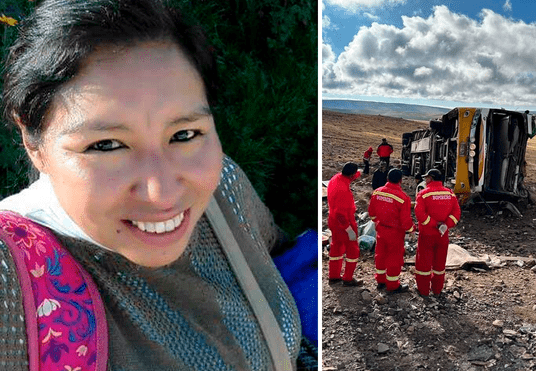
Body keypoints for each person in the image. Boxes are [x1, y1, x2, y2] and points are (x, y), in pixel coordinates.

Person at [0, 1, 312, 370]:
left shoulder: (222, 190)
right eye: (106, 145)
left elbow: (279, 262)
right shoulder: (13, 279)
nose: (162, 194)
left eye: (184, 134)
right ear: (31, 141)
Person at [414, 169, 461, 297]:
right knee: (439, 265)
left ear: (431, 178)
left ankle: (423, 291)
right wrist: (446, 224)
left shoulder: (423, 194)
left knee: (424, 264)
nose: (425, 180)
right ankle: (437, 290)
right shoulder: (450, 194)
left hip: (427, 235)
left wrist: (434, 223)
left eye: (427, 177)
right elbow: (456, 214)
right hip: (443, 235)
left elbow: (420, 214)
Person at [368, 169, 415, 294]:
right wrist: (412, 230)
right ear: (400, 180)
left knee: (380, 255)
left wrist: (378, 222)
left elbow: (372, 213)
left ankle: (380, 281)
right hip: (395, 233)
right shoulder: (403, 198)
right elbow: (405, 221)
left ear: (387, 178)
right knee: (394, 258)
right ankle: (393, 285)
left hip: (381, 229)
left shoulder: (377, 192)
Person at [326, 162, 362, 287]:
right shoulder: (343, 190)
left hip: (332, 221)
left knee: (336, 246)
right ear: (351, 175)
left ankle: (334, 276)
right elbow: (340, 214)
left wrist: (359, 173)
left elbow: (335, 213)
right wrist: (349, 229)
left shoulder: (335, 179)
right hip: (344, 222)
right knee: (353, 250)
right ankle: (348, 278)